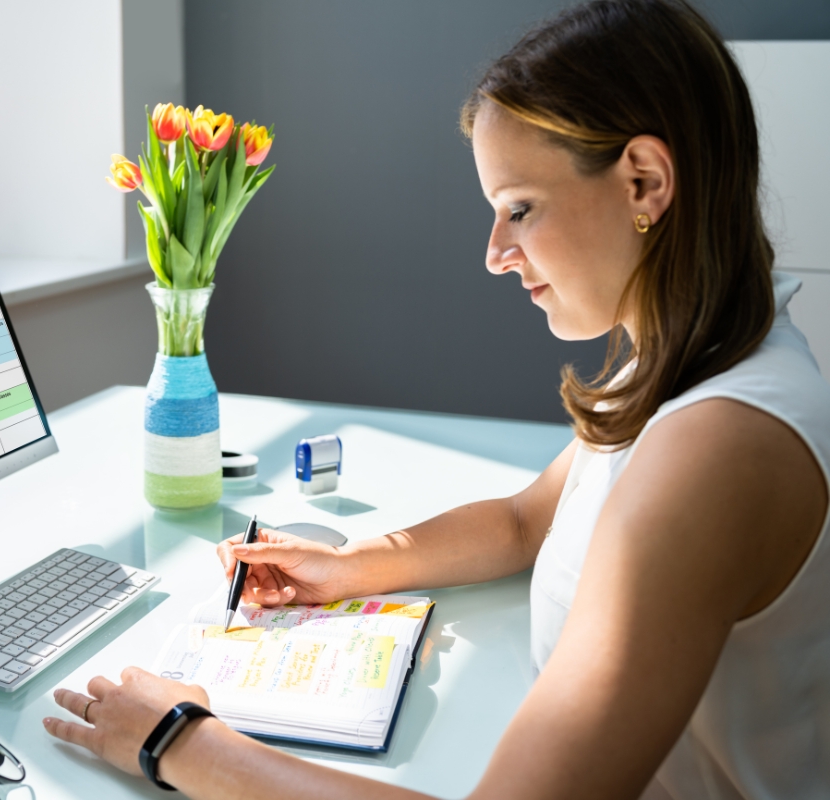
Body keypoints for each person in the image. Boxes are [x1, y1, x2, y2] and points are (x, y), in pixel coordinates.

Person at [43, 1, 830, 797]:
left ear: (644, 181)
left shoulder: (718, 446)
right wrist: (350, 566)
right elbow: (530, 519)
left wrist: (180, 741)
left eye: (519, 208)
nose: (494, 255)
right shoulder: (690, 356)